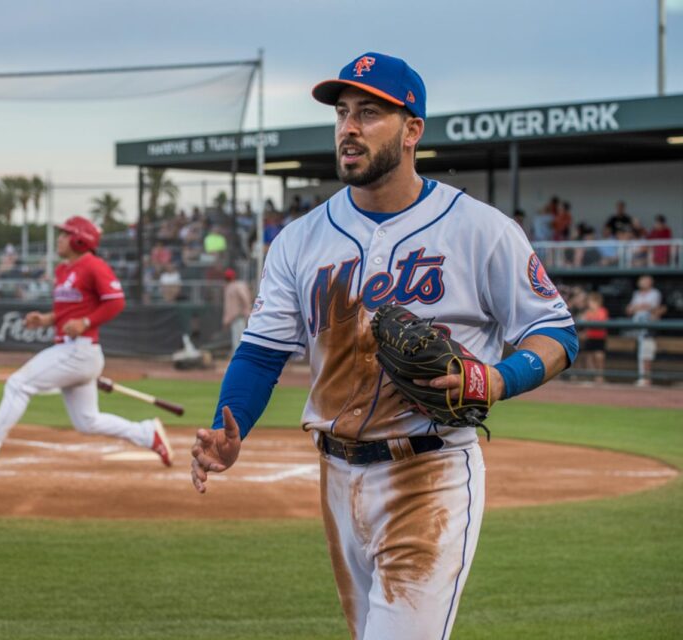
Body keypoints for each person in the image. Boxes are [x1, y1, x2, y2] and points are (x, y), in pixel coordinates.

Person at [189, 52, 577, 640]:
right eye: (343, 113)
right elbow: (263, 350)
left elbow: (555, 331)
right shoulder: (299, 240)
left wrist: (499, 378)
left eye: (369, 113)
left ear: (412, 129)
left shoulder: (478, 228)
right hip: (337, 475)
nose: (349, 127)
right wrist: (231, 420)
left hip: (431, 471)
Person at [0, 216, 173, 466]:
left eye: (65, 234)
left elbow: (116, 301)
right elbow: (68, 312)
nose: (59, 239)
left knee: (18, 383)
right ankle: (147, 433)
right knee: (87, 421)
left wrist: (86, 323)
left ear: (80, 239)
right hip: (72, 351)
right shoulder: (63, 270)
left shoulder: (93, 265)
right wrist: (47, 319)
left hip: (80, 350)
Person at [625, 275, 666, 386]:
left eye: (645, 280)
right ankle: (643, 377)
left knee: (646, 352)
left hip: (649, 327)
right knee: (641, 352)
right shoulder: (636, 293)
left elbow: (653, 307)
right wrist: (639, 307)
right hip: (637, 326)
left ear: (650, 282)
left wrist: (637, 307)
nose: (642, 282)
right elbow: (629, 309)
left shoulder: (655, 293)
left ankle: (646, 378)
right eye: (641, 280)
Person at [221, 268, 252, 357]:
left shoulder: (234, 286)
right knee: (239, 339)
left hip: (239, 317)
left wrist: (245, 309)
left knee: (239, 339)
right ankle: (241, 357)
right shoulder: (238, 285)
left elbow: (244, 299)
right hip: (240, 316)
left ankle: (241, 358)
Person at [580, 292, 609, 383]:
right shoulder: (587, 312)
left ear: (598, 302)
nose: (590, 304)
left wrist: (590, 318)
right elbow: (582, 320)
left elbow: (600, 321)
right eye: (590, 302)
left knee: (599, 356)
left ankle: (599, 377)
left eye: (592, 302)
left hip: (599, 338)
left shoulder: (602, 311)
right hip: (590, 337)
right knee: (588, 356)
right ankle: (590, 376)